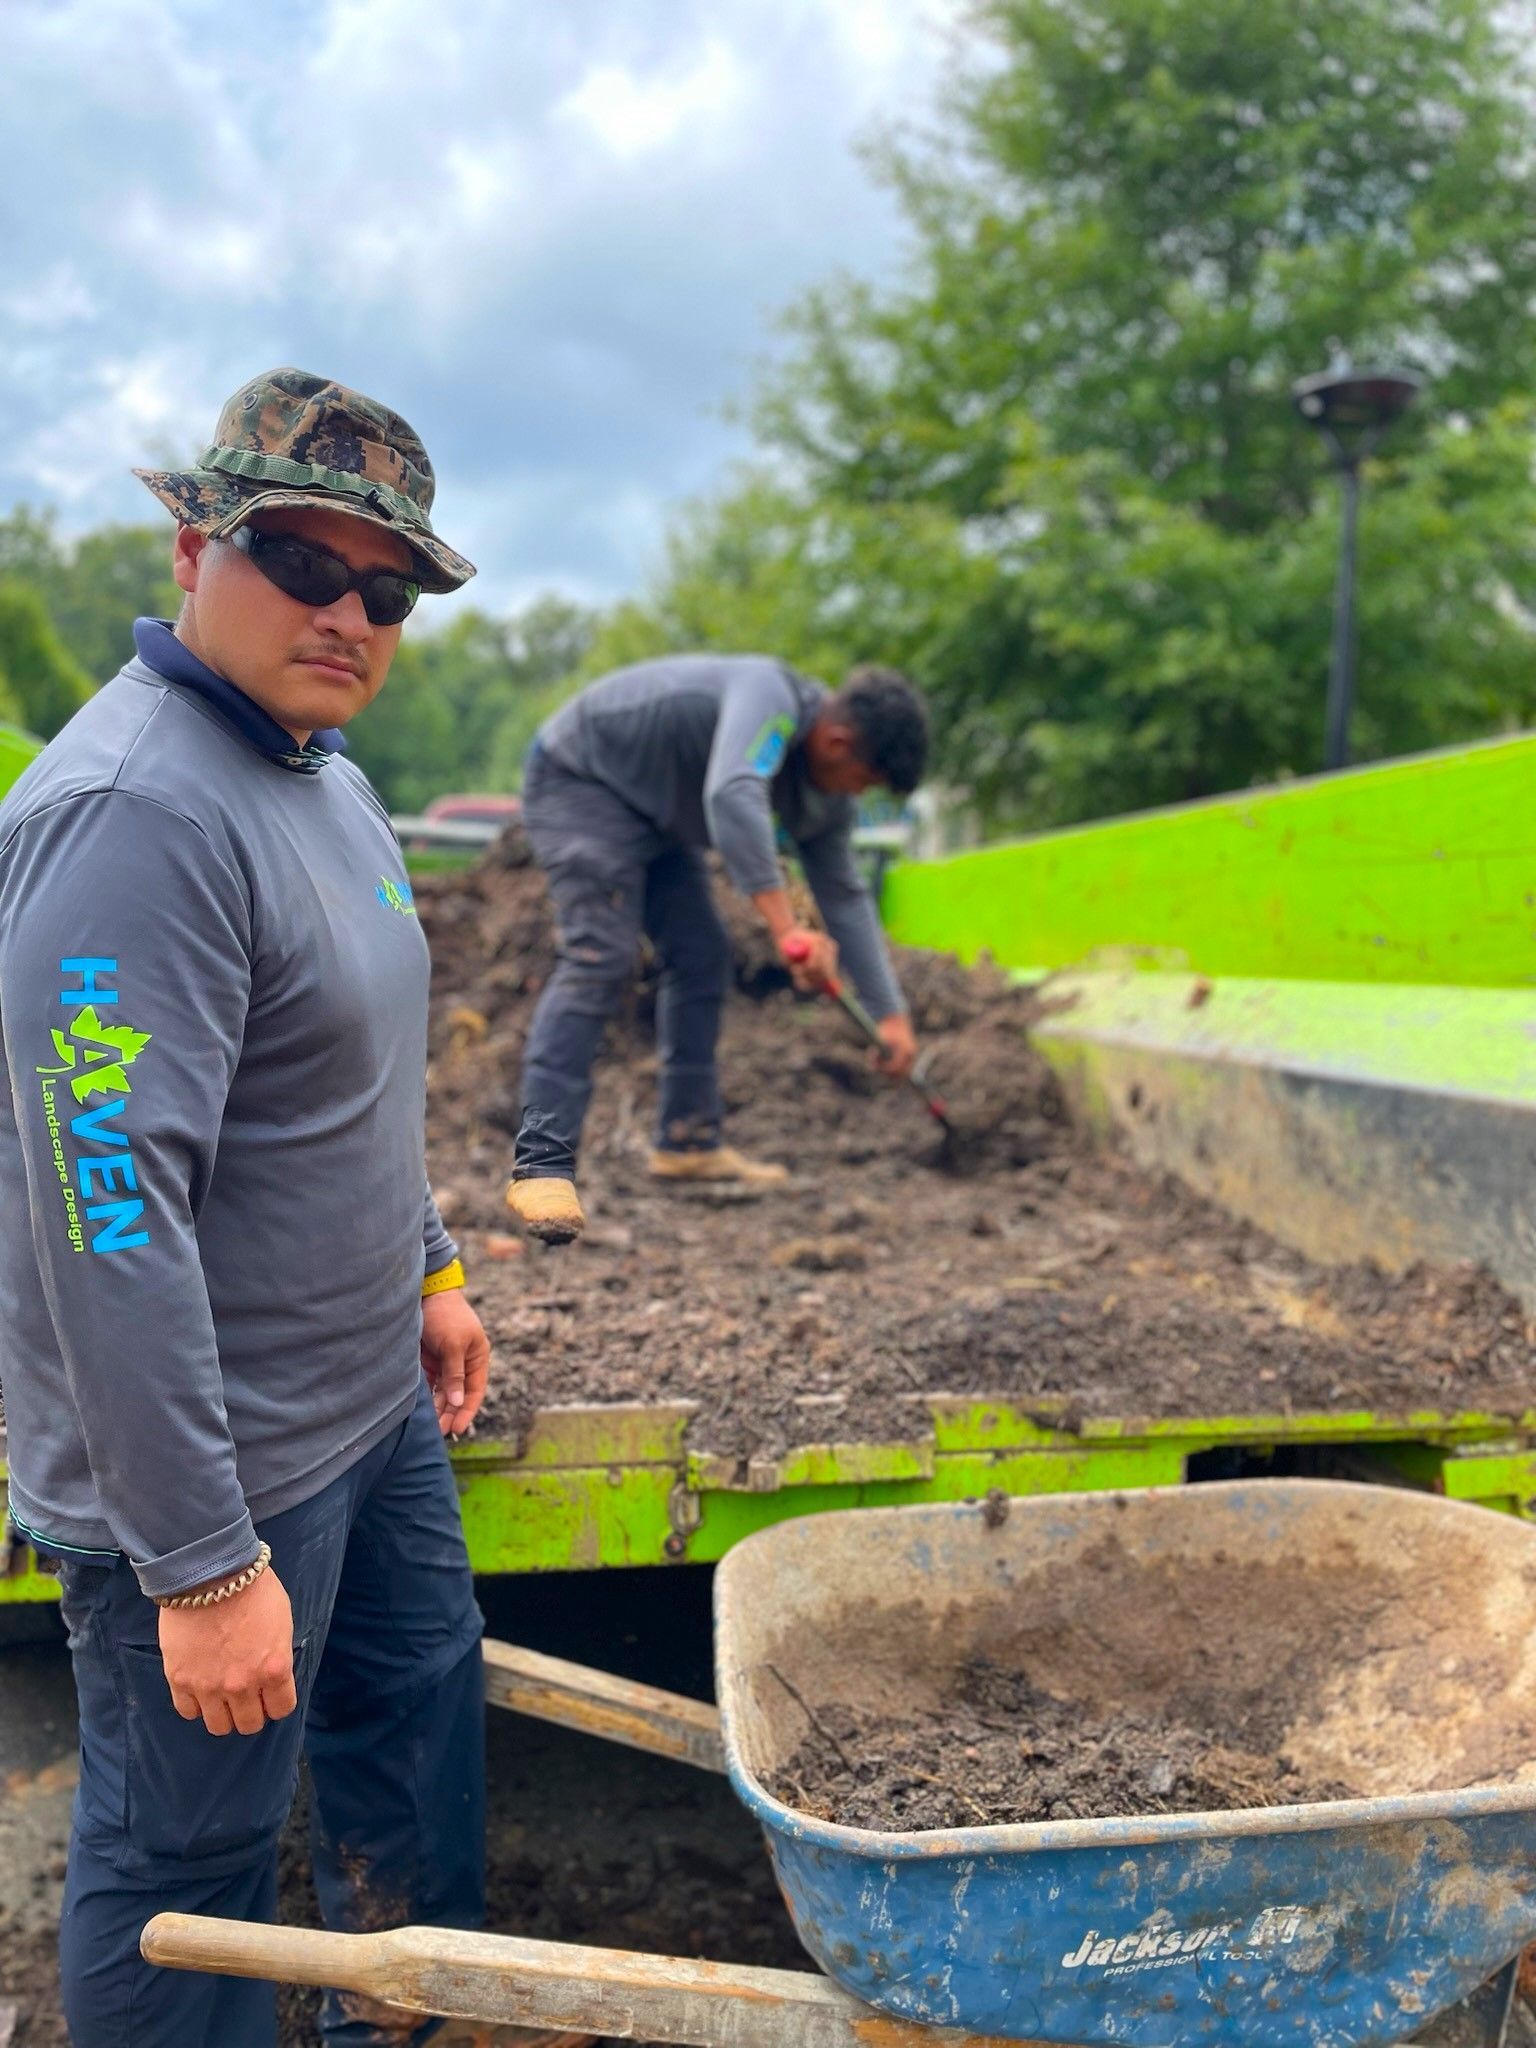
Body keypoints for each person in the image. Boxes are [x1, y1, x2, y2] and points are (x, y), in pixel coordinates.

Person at [0, 368, 493, 2048]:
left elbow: (344, 1072)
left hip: (364, 1407)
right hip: (216, 1475)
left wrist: (426, 1258)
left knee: (414, 1717)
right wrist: (202, 1566)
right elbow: (107, 1217)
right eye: (302, 558)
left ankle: (404, 2015)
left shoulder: (323, 772)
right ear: (194, 534)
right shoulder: (132, 816)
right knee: (186, 1874)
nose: (348, 611)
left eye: (389, 587)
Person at [506, 653, 929, 1243]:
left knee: (703, 954)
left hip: (656, 819)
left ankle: (687, 1142)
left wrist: (892, 1016)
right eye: (864, 781)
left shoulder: (826, 803)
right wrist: (787, 930)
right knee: (601, 954)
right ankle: (542, 1164)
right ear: (837, 742)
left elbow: (846, 899)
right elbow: (732, 793)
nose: (856, 796)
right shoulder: (770, 697)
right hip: (582, 778)